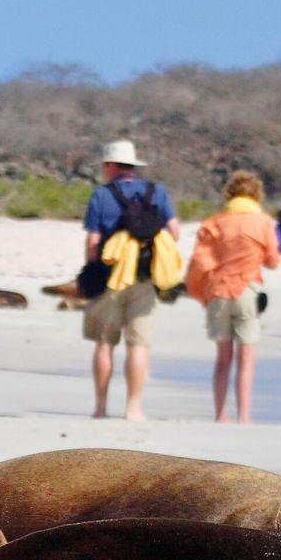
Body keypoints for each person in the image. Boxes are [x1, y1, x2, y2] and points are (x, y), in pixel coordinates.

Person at [81, 139, 178, 421]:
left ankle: (100, 408)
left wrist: (93, 268)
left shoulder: (101, 195)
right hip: (146, 278)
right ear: (133, 166)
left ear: (111, 165)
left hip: (110, 279)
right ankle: (133, 408)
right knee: (138, 344)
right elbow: (174, 233)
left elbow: (93, 240)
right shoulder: (156, 192)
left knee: (104, 343)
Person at [185, 171, 280, 424]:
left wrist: (200, 290)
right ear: (257, 194)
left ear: (229, 194)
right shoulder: (263, 222)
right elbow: (273, 260)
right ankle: (245, 415)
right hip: (248, 290)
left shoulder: (214, 223)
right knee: (246, 359)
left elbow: (200, 261)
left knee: (223, 359)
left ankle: (220, 414)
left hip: (218, 291)